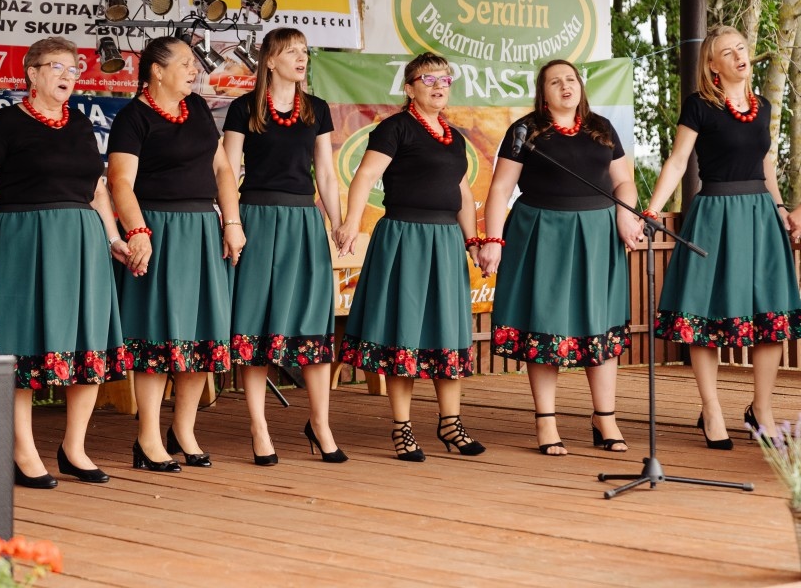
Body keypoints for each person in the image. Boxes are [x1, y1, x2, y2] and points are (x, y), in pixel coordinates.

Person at [0, 37, 128, 489]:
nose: (67, 75)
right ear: (31, 73)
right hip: (23, 243)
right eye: (56, 66)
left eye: (73, 68)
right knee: (22, 343)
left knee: (85, 343)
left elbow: (96, 190)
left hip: (83, 246)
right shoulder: (5, 124)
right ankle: (23, 450)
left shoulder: (78, 124)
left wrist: (114, 237)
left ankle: (74, 448)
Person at [646, 26, 801, 444]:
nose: (738, 56)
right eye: (726, 52)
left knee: (771, 314)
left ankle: (762, 408)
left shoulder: (764, 107)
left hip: (761, 217)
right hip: (714, 213)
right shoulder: (699, 106)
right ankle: (711, 408)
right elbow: (678, 162)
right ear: (712, 65)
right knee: (704, 314)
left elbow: (765, 164)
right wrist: (654, 207)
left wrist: (781, 207)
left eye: (741, 48)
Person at [479, 59, 641, 456]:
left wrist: (625, 213)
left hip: (598, 234)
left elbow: (624, 181)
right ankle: (546, 422)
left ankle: (605, 417)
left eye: (571, 79)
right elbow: (500, 190)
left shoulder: (601, 127)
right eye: (555, 81)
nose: (565, 86)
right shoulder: (525, 130)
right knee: (544, 325)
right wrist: (494, 240)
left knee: (598, 324)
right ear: (543, 92)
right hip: (542, 232)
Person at [334, 53, 485, 462]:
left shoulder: (454, 137)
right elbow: (364, 176)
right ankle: (402, 429)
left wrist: (473, 240)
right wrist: (350, 222)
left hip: (447, 241)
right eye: (429, 78)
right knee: (405, 333)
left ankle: (450, 424)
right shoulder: (395, 128)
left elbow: (464, 193)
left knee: (448, 332)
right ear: (409, 87)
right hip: (404, 237)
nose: (439, 85)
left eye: (446, 79)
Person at [107, 36, 244, 472]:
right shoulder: (133, 118)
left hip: (204, 228)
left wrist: (232, 222)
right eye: (184, 62)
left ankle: (183, 430)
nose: (194, 69)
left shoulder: (200, 109)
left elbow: (222, 168)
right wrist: (138, 231)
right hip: (159, 229)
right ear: (157, 71)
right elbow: (120, 183)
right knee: (157, 334)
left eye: (193, 62)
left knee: (202, 333)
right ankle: (147, 437)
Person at [222, 28, 345, 465]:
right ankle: (259, 427)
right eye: (291, 51)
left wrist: (340, 220)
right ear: (269, 61)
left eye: (305, 51)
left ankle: (321, 424)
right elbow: (227, 170)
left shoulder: (317, 110)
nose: (301, 57)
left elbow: (327, 174)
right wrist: (232, 223)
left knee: (313, 322)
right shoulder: (243, 108)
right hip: (256, 218)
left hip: (303, 220)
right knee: (255, 323)